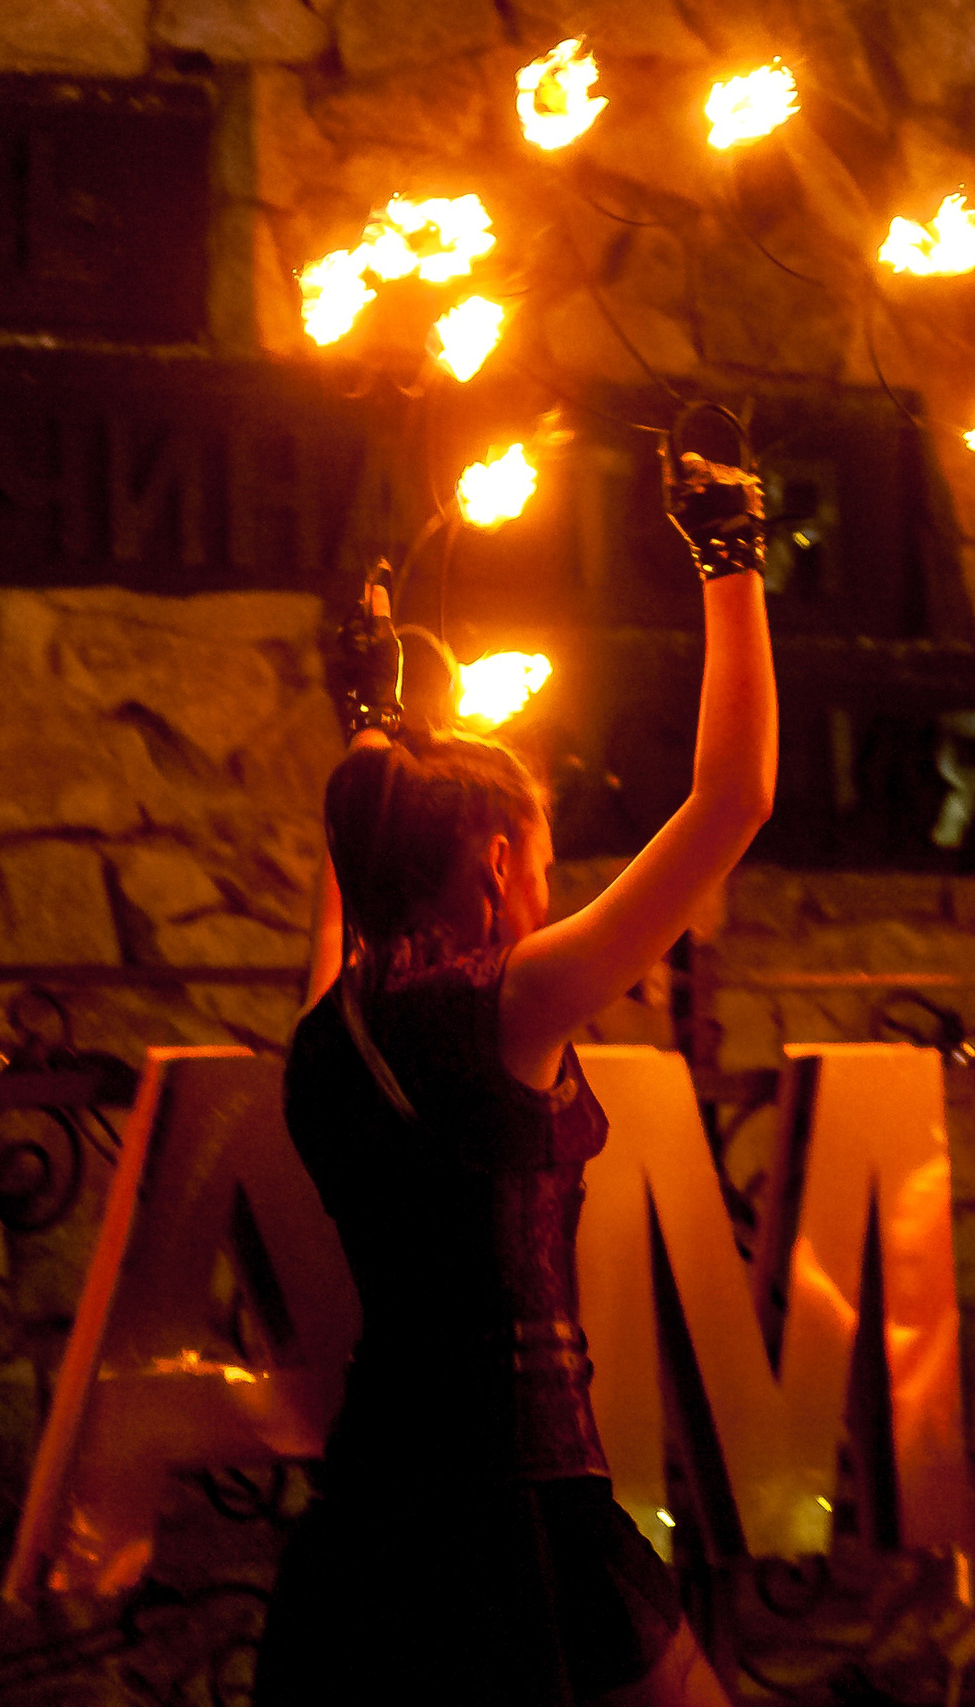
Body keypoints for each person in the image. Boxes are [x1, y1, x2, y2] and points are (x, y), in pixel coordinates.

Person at [253, 455, 776, 1707]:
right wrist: (730, 557)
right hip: (514, 1499)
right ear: (495, 864)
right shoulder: (508, 1008)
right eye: (542, 857)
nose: (551, 885)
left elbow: (360, 857)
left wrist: (372, 712)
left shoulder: (330, 1023)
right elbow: (733, 800)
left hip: (376, 1501)